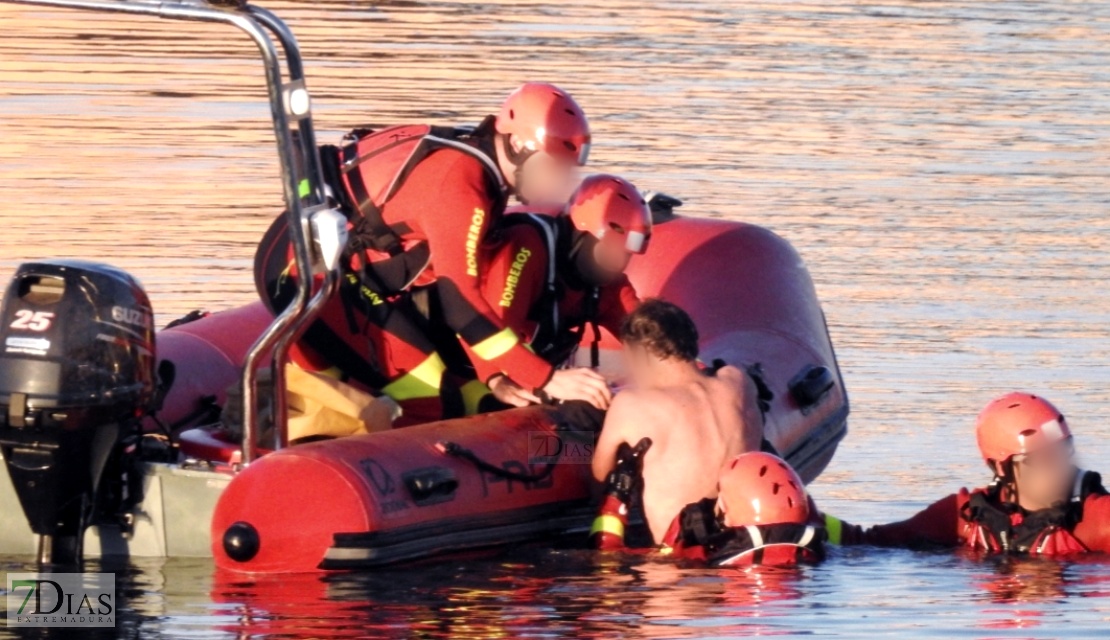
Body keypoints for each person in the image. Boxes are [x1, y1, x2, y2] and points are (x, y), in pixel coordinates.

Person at [255, 83, 614, 424]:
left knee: (465, 394)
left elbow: (458, 285)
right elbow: (461, 303)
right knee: (431, 394)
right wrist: (545, 377)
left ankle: (298, 421)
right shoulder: (461, 186)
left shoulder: (478, 169)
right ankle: (349, 472)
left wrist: (494, 377)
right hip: (309, 273)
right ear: (519, 146)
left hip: (331, 270)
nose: (558, 183)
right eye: (554, 167)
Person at [826, 392, 1110, 555]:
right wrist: (800, 513)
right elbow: (864, 543)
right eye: (1042, 459)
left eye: (1063, 451)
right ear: (1001, 467)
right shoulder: (964, 517)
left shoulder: (1096, 520)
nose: (1059, 469)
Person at [591, 299, 765, 543]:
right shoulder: (738, 382)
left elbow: (599, 480)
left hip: (677, 563)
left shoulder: (632, 404)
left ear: (640, 354)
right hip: (745, 545)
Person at [472, 173, 651, 408]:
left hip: (517, 374)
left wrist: (698, 374)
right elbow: (484, 327)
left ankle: (578, 445)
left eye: (626, 254)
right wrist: (524, 379)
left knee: (577, 420)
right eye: (611, 249)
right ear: (581, 235)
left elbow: (652, 340)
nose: (618, 262)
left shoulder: (609, 285)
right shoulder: (526, 247)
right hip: (460, 362)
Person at [591, 447, 826, 566]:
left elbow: (609, 555)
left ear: (730, 517)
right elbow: (857, 536)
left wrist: (617, 496)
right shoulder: (816, 541)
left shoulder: (701, 555)